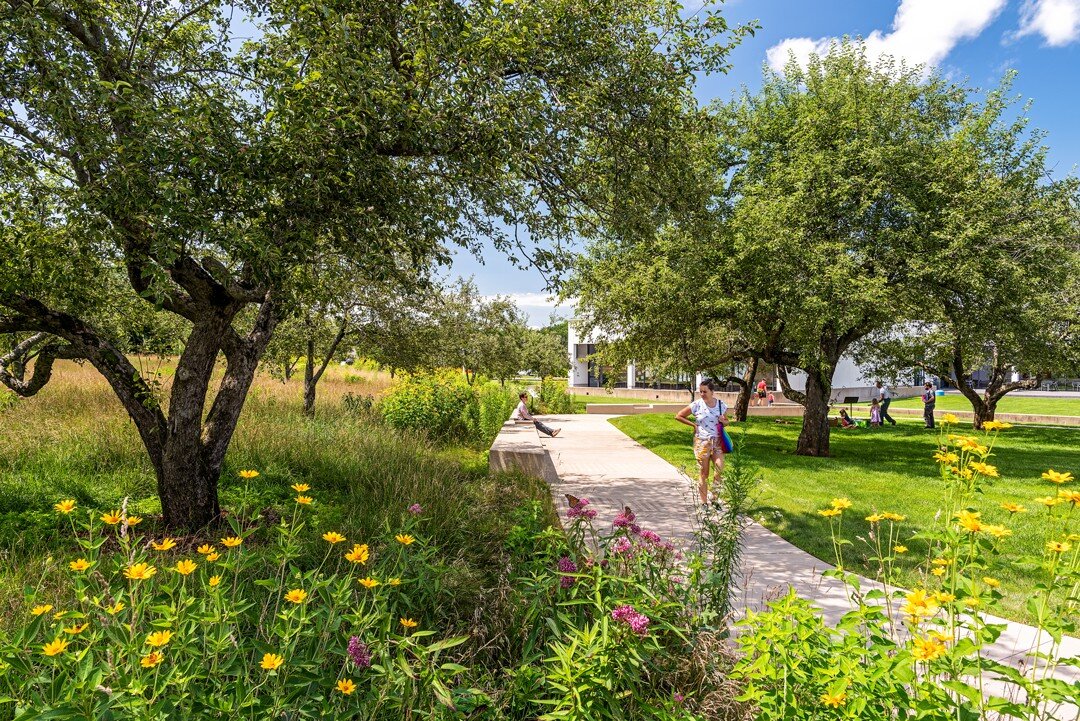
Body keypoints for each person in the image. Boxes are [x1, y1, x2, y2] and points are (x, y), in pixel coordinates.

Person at [676, 379, 730, 508]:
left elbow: (727, 422)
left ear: (712, 392)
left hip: (717, 442)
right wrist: (693, 425)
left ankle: (715, 498)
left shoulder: (721, 405)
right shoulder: (696, 405)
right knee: (704, 473)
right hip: (702, 442)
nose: (702, 394)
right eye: (700, 391)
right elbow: (679, 416)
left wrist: (724, 421)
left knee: (719, 470)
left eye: (705, 391)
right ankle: (704, 502)